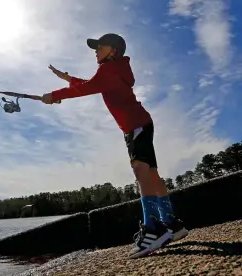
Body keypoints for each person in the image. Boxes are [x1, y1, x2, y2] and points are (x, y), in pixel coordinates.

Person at [40, 33, 188, 258]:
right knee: (152, 174)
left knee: (141, 170)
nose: (96, 51)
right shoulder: (114, 69)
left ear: (114, 50)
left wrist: (54, 95)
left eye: (100, 47)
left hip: (136, 126)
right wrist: (67, 78)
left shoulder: (109, 69)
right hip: (139, 124)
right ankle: (172, 225)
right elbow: (91, 85)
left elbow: (86, 88)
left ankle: (153, 228)